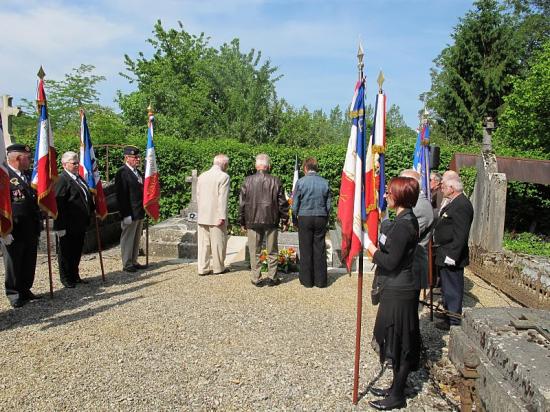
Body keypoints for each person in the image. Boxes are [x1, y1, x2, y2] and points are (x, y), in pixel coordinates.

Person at [365, 176, 421, 411]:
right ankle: (394, 388)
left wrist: (370, 248)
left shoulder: (404, 224)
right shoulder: (403, 220)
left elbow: (390, 261)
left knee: (401, 342)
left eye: (389, 192)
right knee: (396, 341)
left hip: (400, 290)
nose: (386, 195)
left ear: (399, 196)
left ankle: (397, 395)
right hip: (397, 288)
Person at [0, 144, 42, 308]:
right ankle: (14, 293)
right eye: (28, 157)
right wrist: (3, 231)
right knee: (13, 262)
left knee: (29, 260)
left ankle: (25, 289)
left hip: (30, 227)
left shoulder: (28, 175)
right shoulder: (4, 176)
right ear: (18, 158)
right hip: (13, 228)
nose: (30, 160)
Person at [239, 154, 289, 287]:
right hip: (271, 220)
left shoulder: (247, 181)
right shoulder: (276, 181)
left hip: (252, 220)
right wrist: (285, 220)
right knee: (272, 250)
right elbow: (282, 203)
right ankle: (272, 277)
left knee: (254, 251)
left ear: (256, 166)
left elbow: (242, 204)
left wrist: (242, 221)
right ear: (269, 166)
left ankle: (256, 278)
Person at [433, 171, 474, 331]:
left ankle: (454, 321)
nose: (441, 188)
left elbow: (461, 234)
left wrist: (452, 256)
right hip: (444, 252)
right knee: (446, 288)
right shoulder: (454, 201)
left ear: (452, 187)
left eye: (443, 186)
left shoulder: (462, 205)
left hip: (451, 255)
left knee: (453, 289)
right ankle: (447, 313)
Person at [53, 152, 95, 288]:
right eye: (74, 163)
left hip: (80, 223)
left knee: (76, 251)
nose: (77, 165)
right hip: (68, 224)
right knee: (66, 252)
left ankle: (74, 275)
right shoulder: (62, 180)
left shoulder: (78, 178)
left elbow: (85, 197)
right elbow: (59, 204)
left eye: (77, 162)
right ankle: (66, 278)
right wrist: (59, 226)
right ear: (64, 164)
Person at [292, 157, 331, 288]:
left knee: (305, 247)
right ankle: (320, 281)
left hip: (304, 217)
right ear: (316, 168)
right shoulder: (325, 182)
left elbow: (295, 204)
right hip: (320, 216)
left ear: (305, 168)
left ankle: (307, 281)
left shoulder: (301, 182)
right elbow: (329, 205)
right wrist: (326, 218)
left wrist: (294, 219)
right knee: (319, 248)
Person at [400, 169, 434, 293]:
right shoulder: (413, 203)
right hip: (408, 265)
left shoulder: (419, 206)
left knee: (406, 309)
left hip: (412, 265)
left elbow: (402, 237)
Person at [196, 154, 230, 276]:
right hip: (216, 216)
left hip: (203, 215)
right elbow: (223, 198)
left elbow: (198, 196)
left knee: (203, 245)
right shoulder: (224, 177)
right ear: (224, 164)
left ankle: (202, 268)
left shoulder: (202, 176)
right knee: (218, 244)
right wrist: (222, 216)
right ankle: (218, 267)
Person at [115, 145, 146, 273]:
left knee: (136, 238)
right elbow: (121, 195)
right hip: (130, 212)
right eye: (135, 157)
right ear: (127, 158)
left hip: (139, 211)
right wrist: (125, 214)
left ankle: (134, 260)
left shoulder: (137, 172)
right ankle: (127, 263)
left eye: (138, 157)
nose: (138, 159)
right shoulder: (122, 172)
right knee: (128, 238)